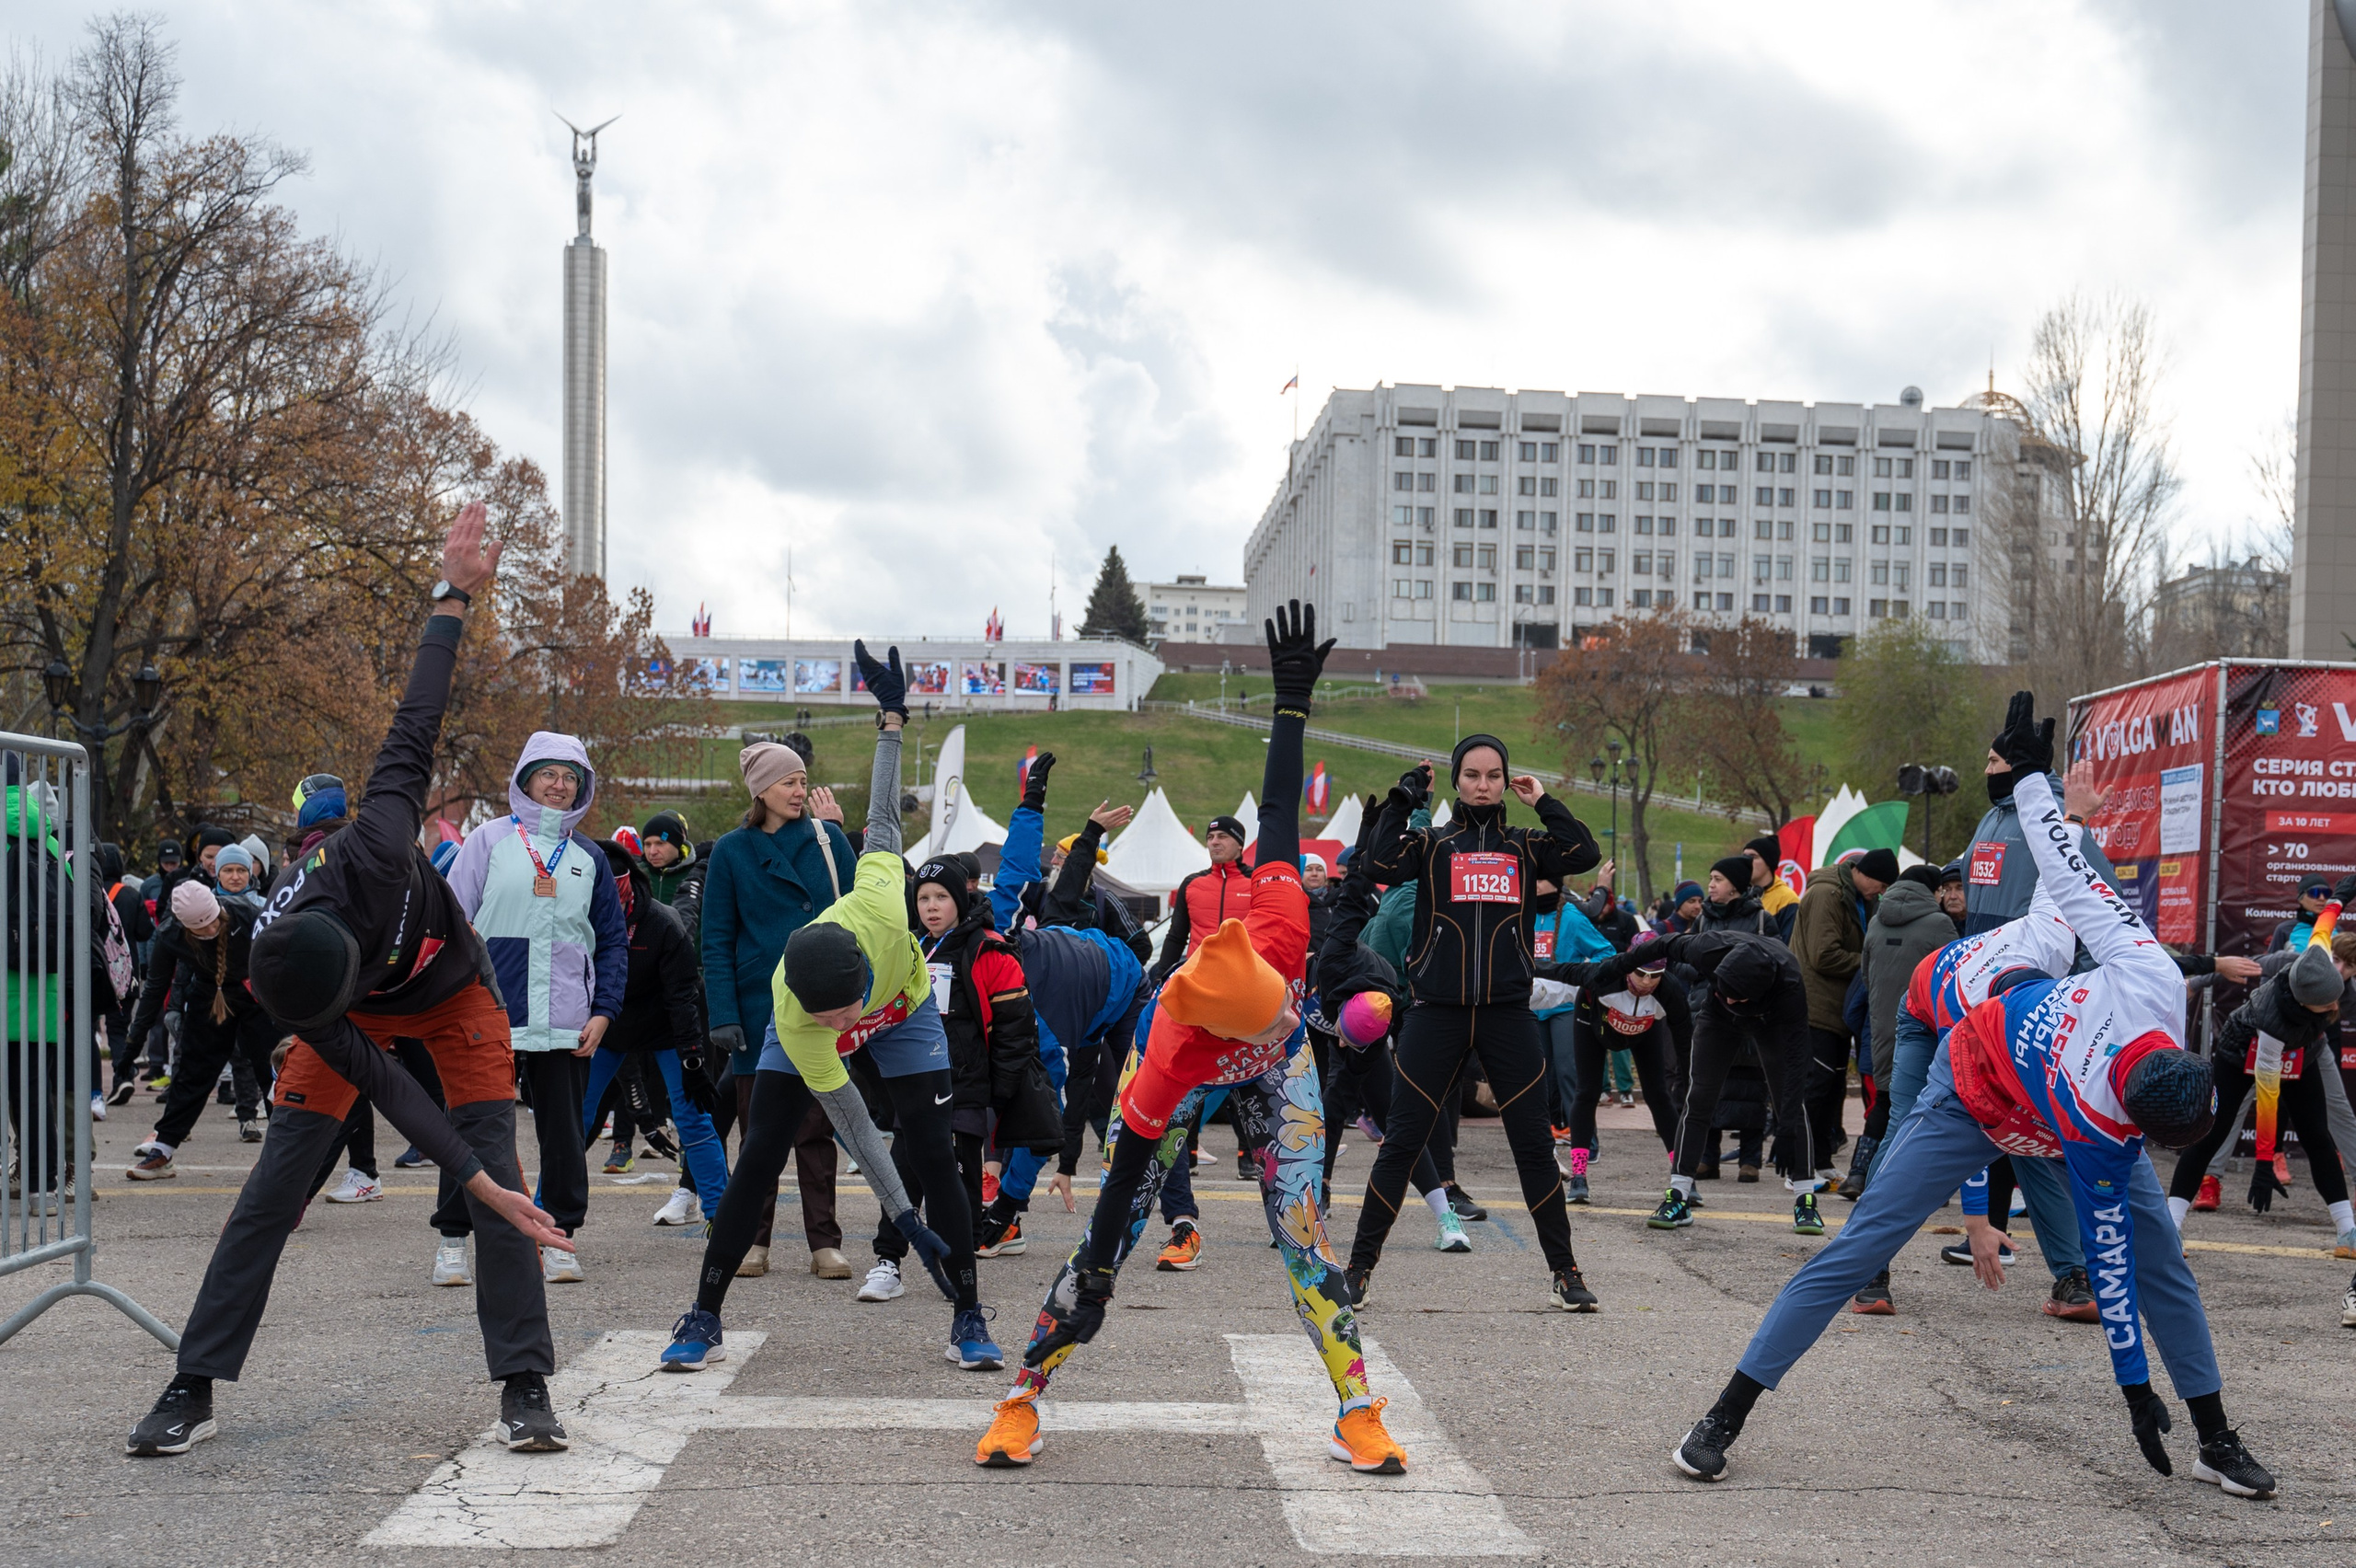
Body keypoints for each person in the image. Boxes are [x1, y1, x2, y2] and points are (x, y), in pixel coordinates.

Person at [1668, 697, 2276, 1500]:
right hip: (1960, 1072)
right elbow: (2058, 1199)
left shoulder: (2131, 976)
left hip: (2047, 1084)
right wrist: (1979, 1214)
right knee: (1860, 1248)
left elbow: (2066, 871)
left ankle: (2215, 1437)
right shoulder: (2049, 1069)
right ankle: (1722, 1417)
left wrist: (2048, 795)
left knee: (2163, 1260)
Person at [128, 502, 578, 1458]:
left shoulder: (379, 834)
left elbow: (421, 707)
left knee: (498, 1165)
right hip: (359, 1016)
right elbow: (386, 1088)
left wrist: (453, 593)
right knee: (273, 1185)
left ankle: (525, 1383)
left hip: (454, 990)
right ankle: (193, 1382)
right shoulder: (291, 978)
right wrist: (461, 1177)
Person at [976, 602, 1407, 1476]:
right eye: (1279, 1014)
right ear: (1215, 1027)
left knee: (1304, 1232)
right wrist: (1099, 1260)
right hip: (1177, 1083)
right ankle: (1023, 1394)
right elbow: (1124, 1176)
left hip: (1278, 1080)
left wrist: (1290, 704)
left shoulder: (1279, 925)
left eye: (1288, 1006)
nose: (1295, 1016)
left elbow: (1280, 803)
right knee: (1115, 1235)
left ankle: (1355, 1409)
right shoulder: (1171, 1051)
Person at [661, 642, 996, 1375]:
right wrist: (906, 1223)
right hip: (802, 1022)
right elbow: (857, 1132)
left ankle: (969, 1313)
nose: (846, 1030)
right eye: (832, 1021)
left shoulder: (880, 898)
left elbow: (879, 815)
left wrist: (893, 723)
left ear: (862, 973)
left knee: (938, 1155)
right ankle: (703, 1314)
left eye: (847, 1012)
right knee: (757, 1158)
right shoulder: (798, 1013)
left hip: (906, 1013)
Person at [1345, 730, 1604, 1311]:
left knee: (1534, 1147)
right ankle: (1359, 1269)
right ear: (1457, 780)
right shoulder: (1433, 844)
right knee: (1402, 1143)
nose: (1482, 785)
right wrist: (1404, 797)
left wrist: (1544, 802)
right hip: (1436, 1014)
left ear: (1505, 780)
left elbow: (1584, 854)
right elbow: (1377, 860)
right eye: (1471, 775)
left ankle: (1565, 1272)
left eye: (1493, 775)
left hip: (1506, 1016)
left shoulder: (1525, 844)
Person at [445, 735, 628, 1286]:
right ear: (524, 779)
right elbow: (451, 925)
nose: (559, 785)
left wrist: (605, 1011)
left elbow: (612, 943)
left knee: (565, 1136)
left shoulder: (589, 857)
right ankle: (454, 1239)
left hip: (569, 1021)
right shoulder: (487, 841)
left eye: (570, 777)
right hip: (490, 1016)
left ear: (583, 787)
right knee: (473, 1130)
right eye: (548, 773)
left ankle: (560, 1239)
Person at [698, 741, 855, 1279]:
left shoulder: (829, 840)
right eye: (787, 781)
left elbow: (863, 919)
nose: (798, 790)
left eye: (802, 779)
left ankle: (824, 1244)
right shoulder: (731, 850)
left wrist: (859, 999)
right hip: (757, 1005)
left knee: (816, 1131)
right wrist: (722, 1011)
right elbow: (715, 937)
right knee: (757, 1133)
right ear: (759, 790)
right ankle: (752, 1241)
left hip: (823, 1008)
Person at [893, 853, 1045, 1297]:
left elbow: (1017, 1030)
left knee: (959, 1185)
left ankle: (958, 1273)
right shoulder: (912, 947)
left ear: (962, 898)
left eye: (942, 897)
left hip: (966, 1088)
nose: (931, 906)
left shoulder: (990, 948)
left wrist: (997, 1089)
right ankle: (887, 1260)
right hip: (915, 1085)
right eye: (923, 897)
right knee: (901, 1173)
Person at [2166, 918, 2354, 1254]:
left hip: (2302, 1052)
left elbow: (2325, 921)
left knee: (2318, 1137)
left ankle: (2348, 1232)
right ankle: (2170, 1226)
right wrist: (2263, 1164)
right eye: (2327, 1005)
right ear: (2305, 1001)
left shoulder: (2317, 956)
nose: (2334, 1008)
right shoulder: (2273, 1019)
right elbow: (2268, 1097)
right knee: (2211, 1133)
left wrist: (2341, 895)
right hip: (2240, 1055)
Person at [579, 840, 731, 1230]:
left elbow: (684, 998)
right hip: (606, 1026)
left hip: (666, 1027)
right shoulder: (575, 919)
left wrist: (694, 1060)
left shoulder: (663, 924)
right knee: (574, 1116)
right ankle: (550, 1212)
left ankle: (721, 1216)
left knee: (692, 1116)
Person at [1838, 863, 1960, 1308]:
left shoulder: (1876, 920)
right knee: (1912, 1127)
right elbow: (1954, 985)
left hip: (1885, 1036)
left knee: (1889, 1122)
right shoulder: (1939, 924)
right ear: (1932, 890)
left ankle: (1866, 1210)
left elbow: (1867, 979)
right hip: (1928, 1036)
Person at [121, 882, 276, 1173]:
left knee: (273, 1071)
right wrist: (133, 1043)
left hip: (257, 991)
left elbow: (284, 954)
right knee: (192, 1072)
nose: (208, 931)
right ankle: (164, 1148)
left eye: (212, 923)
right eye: (199, 929)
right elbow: (154, 989)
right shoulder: (170, 934)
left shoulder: (248, 914)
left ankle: (283, 1155)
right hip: (209, 995)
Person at [1545, 942, 1688, 1205]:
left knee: (1659, 1095)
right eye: (1641, 973)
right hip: (1593, 1024)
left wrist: (1691, 1078)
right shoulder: (1604, 973)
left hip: (1644, 1031)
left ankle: (1682, 1177)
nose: (1647, 982)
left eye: (1655, 976)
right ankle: (1579, 1176)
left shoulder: (1669, 989)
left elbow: (1683, 1040)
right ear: (1628, 969)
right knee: (1587, 1092)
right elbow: (1560, 970)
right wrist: (1524, 966)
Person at [1790, 847, 1893, 1182]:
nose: (1881, 892)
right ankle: (1797, 1166)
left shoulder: (1859, 897)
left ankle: (1819, 1160)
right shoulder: (1826, 894)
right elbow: (1824, 955)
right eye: (1880, 885)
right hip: (1815, 1006)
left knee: (1832, 1089)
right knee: (1815, 1088)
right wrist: (1870, 963)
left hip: (1837, 1009)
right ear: (1864, 874)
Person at [1149, 813, 1253, 984]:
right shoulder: (1192, 883)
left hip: (1245, 979)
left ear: (1240, 844)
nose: (1214, 842)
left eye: (1223, 836)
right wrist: (1161, 976)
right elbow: (1176, 935)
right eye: (1210, 837)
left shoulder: (1256, 882)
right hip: (1198, 978)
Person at [1743, 836, 1800, 942]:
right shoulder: (1737, 893)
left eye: (1753, 857)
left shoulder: (1787, 899)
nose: (1746, 861)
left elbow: (1787, 948)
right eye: (1744, 856)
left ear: (1769, 862)